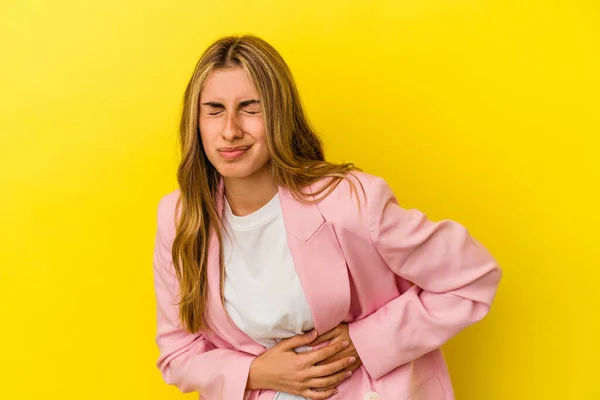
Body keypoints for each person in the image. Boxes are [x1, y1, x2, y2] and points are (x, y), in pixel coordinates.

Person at [152, 34, 502, 400]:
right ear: (196, 120)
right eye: (214, 109)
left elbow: (473, 278)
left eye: (251, 108)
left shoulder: (348, 201)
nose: (230, 130)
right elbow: (178, 353)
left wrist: (366, 343)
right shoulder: (179, 218)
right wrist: (255, 373)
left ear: (279, 114)